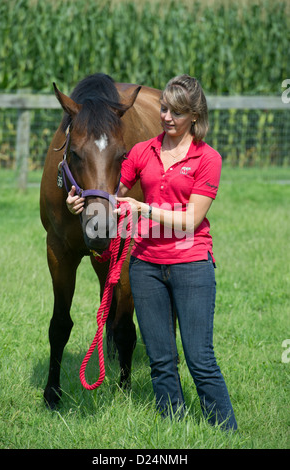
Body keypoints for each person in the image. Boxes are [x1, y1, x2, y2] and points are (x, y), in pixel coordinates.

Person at [67, 75, 237, 431]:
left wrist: (143, 210)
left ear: (194, 116)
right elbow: (111, 193)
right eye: (164, 108)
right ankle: (172, 426)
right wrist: (78, 203)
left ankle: (226, 430)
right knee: (161, 359)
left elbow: (191, 219)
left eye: (177, 111)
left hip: (191, 263)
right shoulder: (143, 151)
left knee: (200, 359)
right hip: (145, 266)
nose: (166, 117)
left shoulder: (208, 159)